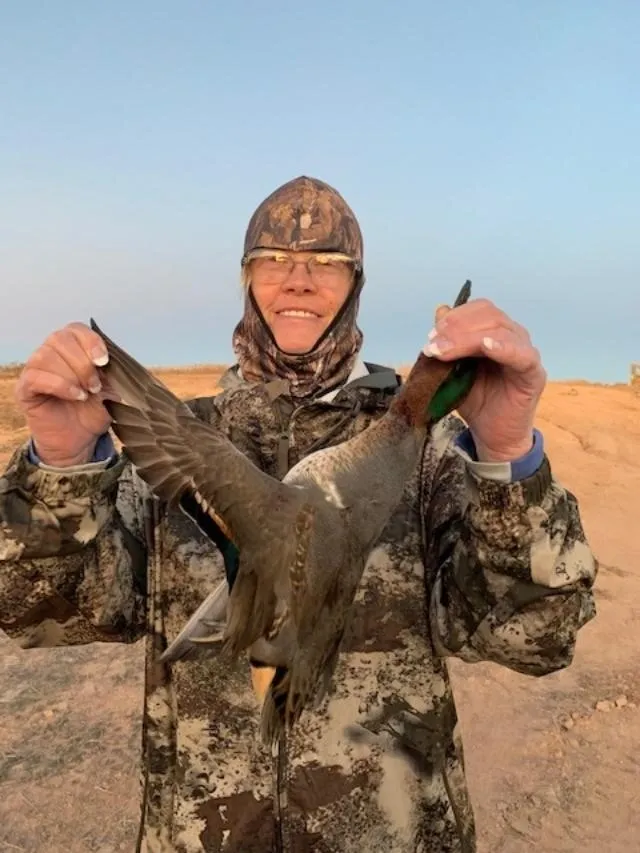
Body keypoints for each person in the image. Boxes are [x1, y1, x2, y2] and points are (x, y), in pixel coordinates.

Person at [0, 176, 597, 853]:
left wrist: (506, 449)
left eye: (327, 263)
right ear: (248, 279)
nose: (299, 278)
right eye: (274, 258)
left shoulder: (437, 457)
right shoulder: (183, 435)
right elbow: (41, 614)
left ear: (356, 285)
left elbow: (536, 640)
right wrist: (60, 464)